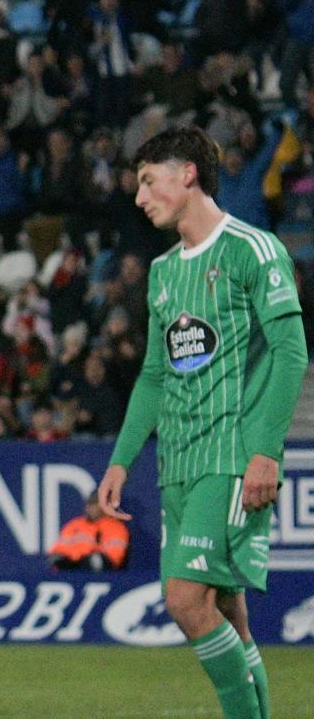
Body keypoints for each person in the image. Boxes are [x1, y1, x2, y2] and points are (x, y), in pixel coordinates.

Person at [99, 126, 312, 719]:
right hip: (179, 465)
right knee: (229, 613)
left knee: (186, 601)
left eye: (148, 180)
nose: (140, 198)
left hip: (230, 455)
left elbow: (292, 352)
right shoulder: (165, 274)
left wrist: (265, 451)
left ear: (188, 172)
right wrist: (121, 460)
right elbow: (153, 376)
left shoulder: (253, 248)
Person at [48, 493, 129, 572]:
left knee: (94, 561)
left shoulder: (115, 527)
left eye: (94, 504)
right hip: (73, 566)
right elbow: (59, 549)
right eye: (89, 504)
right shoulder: (75, 525)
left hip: (101, 572)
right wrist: (67, 558)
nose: (90, 507)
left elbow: (113, 557)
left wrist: (86, 558)